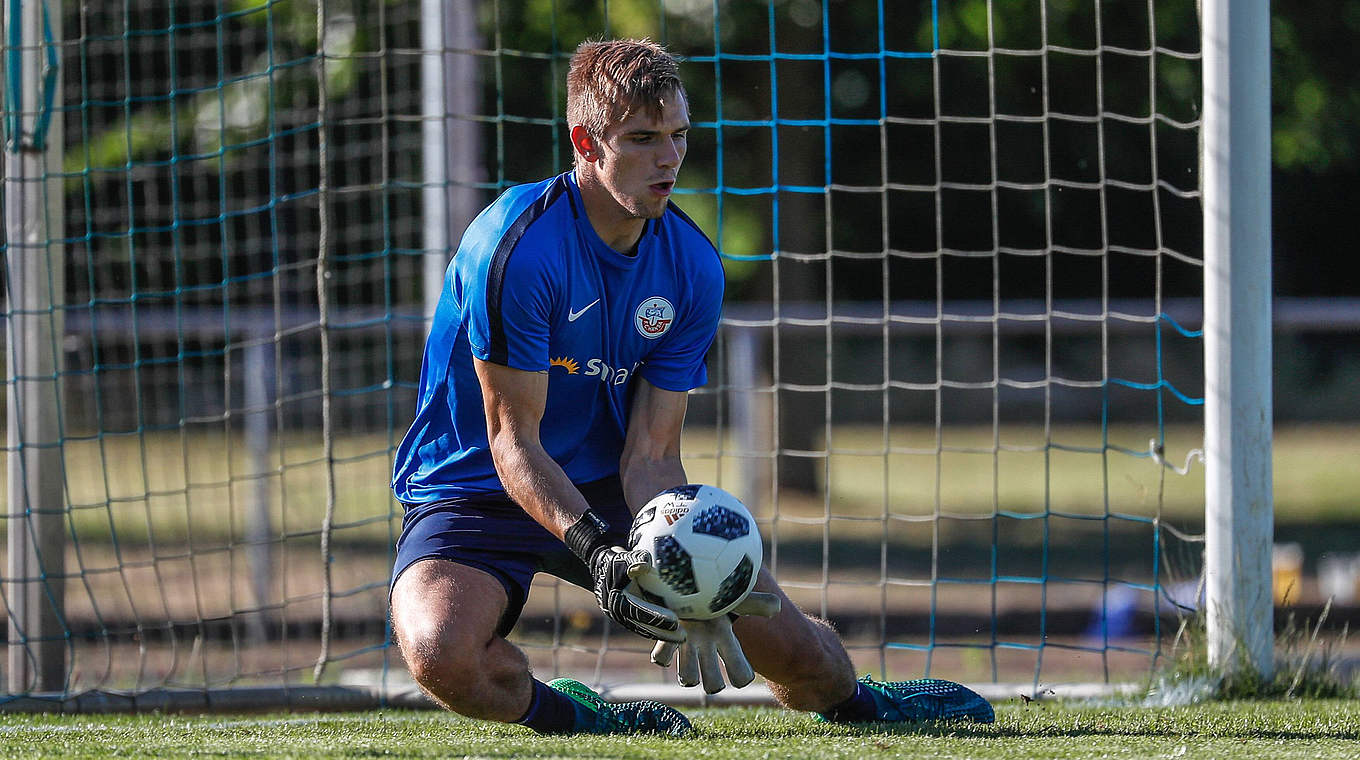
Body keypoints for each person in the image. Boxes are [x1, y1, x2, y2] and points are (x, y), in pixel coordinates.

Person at [388, 37, 994, 735]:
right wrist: (594, 548)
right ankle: (580, 719)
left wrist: (677, 554)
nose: (669, 159)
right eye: (644, 139)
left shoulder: (692, 267)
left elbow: (651, 455)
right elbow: (510, 440)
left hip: (615, 494)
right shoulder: (517, 249)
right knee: (442, 653)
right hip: (477, 489)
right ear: (586, 141)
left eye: (678, 136)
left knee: (804, 662)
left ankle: (865, 703)